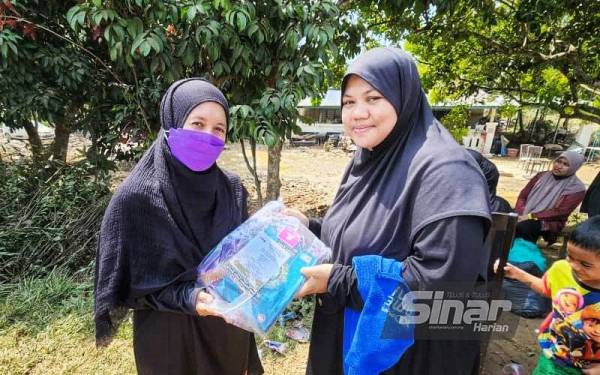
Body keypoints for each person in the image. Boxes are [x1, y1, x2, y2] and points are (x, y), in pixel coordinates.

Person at [289, 47, 492, 374]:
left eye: (373, 98)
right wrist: (309, 226)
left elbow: (439, 284)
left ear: (404, 97)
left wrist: (340, 281)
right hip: (346, 331)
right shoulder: (368, 160)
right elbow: (364, 234)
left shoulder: (446, 171)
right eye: (348, 102)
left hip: (403, 354)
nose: (357, 113)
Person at [94, 78, 263, 375]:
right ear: (171, 122)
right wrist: (188, 298)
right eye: (197, 124)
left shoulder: (231, 190)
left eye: (218, 129)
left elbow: (242, 264)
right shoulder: (136, 198)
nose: (208, 135)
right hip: (168, 342)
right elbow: (128, 286)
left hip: (227, 332)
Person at [499, 216, 600, 374]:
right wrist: (518, 274)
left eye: (585, 264)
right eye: (570, 256)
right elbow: (548, 289)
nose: (574, 266)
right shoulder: (561, 269)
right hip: (554, 354)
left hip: (589, 368)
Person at [514, 151, 587, 244]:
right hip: (525, 212)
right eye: (558, 161)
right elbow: (523, 196)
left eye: (565, 164)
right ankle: (500, 250)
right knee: (502, 214)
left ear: (574, 167)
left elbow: (560, 212)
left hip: (549, 220)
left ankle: (521, 255)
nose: (559, 166)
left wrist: (530, 216)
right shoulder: (541, 176)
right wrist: (520, 211)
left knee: (524, 227)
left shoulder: (576, 188)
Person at [467, 149, 512, 213]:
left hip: (488, 172)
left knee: (487, 200)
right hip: (475, 169)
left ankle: (495, 215)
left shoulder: (456, 155)